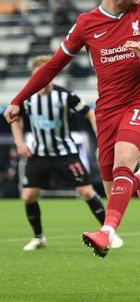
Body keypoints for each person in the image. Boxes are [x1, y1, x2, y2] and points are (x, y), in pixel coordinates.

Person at [3, 0, 140, 258]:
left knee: (124, 161)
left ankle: (105, 233)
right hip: (107, 110)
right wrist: (18, 99)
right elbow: (51, 68)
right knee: (115, 189)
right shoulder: (87, 24)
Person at [10, 56, 123, 251]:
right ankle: (39, 238)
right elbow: (15, 118)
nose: (42, 79)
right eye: (37, 75)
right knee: (28, 195)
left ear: (52, 76)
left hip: (66, 153)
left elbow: (89, 113)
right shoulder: (27, 98)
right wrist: (20, 143)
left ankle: (109, 233)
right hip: (39, 153)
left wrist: (101, 137)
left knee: (86, 191)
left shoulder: (65, 96)